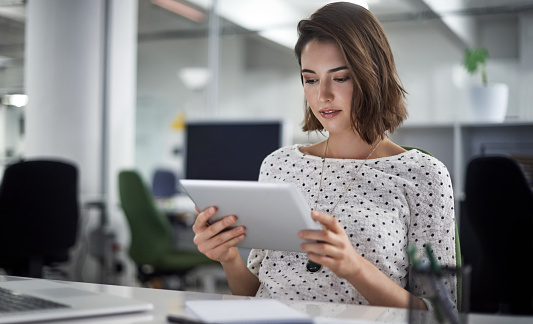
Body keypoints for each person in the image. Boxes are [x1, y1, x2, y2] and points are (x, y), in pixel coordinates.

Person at [192, 1, 457, 310]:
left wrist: (355, 268)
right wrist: (227, 258)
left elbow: (441, 312)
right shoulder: (279, 164)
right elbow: (255, 294)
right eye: (311, 79)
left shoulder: (423, 174)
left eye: (340, 77)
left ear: (374, 75)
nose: (323, 95)